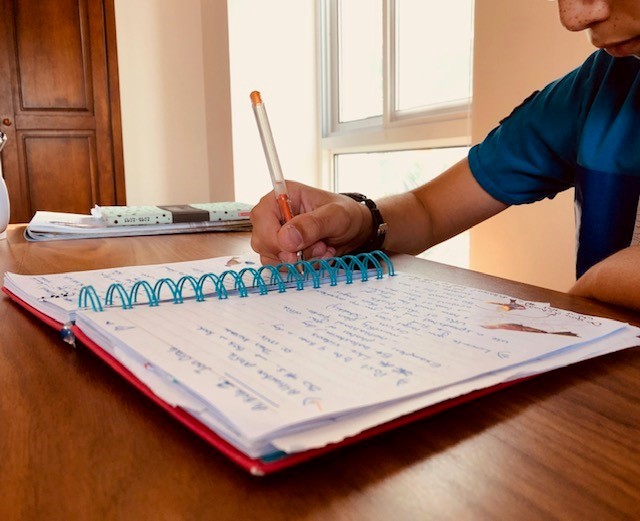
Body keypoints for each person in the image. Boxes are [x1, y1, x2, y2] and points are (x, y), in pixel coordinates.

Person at [250, 0, 640, 312]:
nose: (576, 17)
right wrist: (360, 220)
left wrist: (598, 283)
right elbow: (428, 210)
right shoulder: (601, 88)